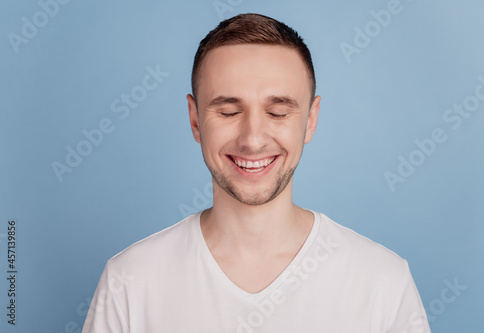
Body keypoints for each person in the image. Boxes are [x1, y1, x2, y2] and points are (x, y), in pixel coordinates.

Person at [82, 13, 431, 332]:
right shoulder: (129, 282)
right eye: (229, 111)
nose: (252, 139)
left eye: (278, 113)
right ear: (195, 120)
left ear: (310, 120)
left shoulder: (383, 282)